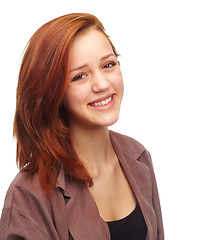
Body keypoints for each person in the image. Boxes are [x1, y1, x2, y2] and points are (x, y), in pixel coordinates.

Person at [0, 13, 164, 240]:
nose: (103, 84)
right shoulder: (27, 195)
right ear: (53, 91)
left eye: (108, 64)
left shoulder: (138, 156)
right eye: (79, 76)